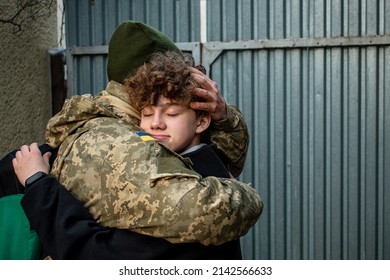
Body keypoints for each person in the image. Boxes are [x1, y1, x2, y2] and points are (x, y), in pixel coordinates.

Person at [11, 20, 262, 259]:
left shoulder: (146, 133)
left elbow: (219, 160)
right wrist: (244, 193)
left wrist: (225, 117)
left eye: (172, 112)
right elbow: (208, 212)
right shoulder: (122, 143)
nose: (156, 122)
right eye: (148, 112)